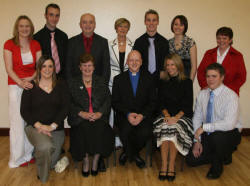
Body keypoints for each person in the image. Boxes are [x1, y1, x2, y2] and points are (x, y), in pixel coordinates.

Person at [186, 63, 242, 179]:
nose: (210, 79)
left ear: (222, 77)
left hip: (229, 133)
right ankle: (222, 154)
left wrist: (204, 127)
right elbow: (197, 118)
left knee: (217, 137)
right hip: (208, 133)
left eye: (214, 76)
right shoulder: (202, 94)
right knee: (191, 160)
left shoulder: (231, 96)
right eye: (208, 76)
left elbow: (229, 124)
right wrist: (197, 140)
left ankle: (217, 166)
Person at [20, 55, 70, 183]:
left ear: (54, 68)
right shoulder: (30, 86)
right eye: (44, 66)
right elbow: (24, 111)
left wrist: (52, 126)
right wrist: (40, 126)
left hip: (55, 128)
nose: (47, 69)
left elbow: (65, 107)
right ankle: (43, 178)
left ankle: (42, 156)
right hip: (35, 127)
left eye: (50, 66)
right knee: (46, 146)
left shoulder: (61, 84)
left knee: (51, 157)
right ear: (39, 68)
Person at [3, 15, 41, 168]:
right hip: (15, 86)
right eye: (21, 26)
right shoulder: (9, 44)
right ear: (17, 28)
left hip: (31, 86)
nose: (24, 29)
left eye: (27, 26)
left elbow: (39, 67)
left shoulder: (36, 44)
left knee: (29, 122)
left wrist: (30, 80)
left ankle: (27, 155)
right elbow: (9, 69)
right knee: (17, 123)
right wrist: (21, 82)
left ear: (31, 28)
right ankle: (16, 159)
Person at [67, 53, 114, 177]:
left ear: (94, 67)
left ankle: (96, 160)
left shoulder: (101, 81)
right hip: (80, 118)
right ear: (80, 67)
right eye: (84, 66)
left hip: (98, 117)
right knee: (83, 129)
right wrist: (81, 113)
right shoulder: (72, 83)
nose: (87, 68)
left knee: (101, 130)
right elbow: (69, 102)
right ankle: (86, 160)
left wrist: (99, 113)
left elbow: (108, 100)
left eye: (90, 66)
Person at [112, 50, 156, 168]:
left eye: (137, 60)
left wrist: (142, 115)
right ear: (127, 62)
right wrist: (128, 114)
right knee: (125, 130)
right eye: (131, 60)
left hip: (143, 116)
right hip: (124, 116)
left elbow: (153, 102)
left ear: (141, 62)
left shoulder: (149, 78)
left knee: (145, 132)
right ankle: (135, 155)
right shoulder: (118, 79)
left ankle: (128, 153)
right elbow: (115, 102)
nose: (134, 63)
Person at [153, 54, 193, 181]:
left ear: (178, 66)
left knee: (174, 127)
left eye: (172, 64)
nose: (170, 67)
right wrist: (167, 115)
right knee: (166, 126)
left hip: (182, 116)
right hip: (165, 115)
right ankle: (164, 165)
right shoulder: (162, 82)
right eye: (168, 65)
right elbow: (160, 103)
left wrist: (176, 118)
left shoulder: (187, 82)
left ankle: (171, 166)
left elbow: (188, 105)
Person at [197, 27, 246, 95]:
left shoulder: (237, 56)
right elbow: (200, 72)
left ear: (230, 40)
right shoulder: (208, 53)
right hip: (209, 92)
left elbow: (241, 77)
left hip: (229, 94)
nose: (221, 41)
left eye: (224, 38)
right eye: (219, 38)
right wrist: (207, 86)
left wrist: (225, 90)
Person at [108, 18, 133, 147]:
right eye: (120, 26)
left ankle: (123, 138)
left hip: (127, 82)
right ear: (116, 28)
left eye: (125, 27)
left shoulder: (132, 45)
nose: (122, 29)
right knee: (112, 111)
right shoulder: (109, 44)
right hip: (112, 82)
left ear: (128, 29)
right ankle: (112, 138)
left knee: (124, 109)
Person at [66, 13, 110, 84]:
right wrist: (71, 86)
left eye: (91, 22)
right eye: (84, 22)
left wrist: (102, 86)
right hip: (76, 86)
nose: (88, 25)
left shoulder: (103, 42)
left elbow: (106, 68)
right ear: (80, 25)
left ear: (95, 25)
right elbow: (68, 67)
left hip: (98, 86)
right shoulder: (71, 42)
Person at [133, 9, 169, 83]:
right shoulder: (138, 42)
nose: (151, 23)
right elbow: (135, 62)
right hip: (142, 80)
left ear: (158, 22)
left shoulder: (164, 42)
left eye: (154, 20)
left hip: (160, 80)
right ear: (145, 22)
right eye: (148, 20)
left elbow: (166, 62)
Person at [34, 3, 68, 79]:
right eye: (51, 15)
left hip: (62, 79)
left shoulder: (64, 36)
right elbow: (36, 63)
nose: (54, 18)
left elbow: (66, 60)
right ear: (45, 16)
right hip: (44, 78)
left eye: (57, 15)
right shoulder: (36, 38)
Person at [169, 15, 197, 81]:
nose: (178, 27)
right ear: (172, 25)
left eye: (181, 25)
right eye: (176, 24)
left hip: (185, 78)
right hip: (170, 79)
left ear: (185, 27)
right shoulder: (168, 43)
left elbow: (194, 67)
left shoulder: (190, 42)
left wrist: (189, 84)